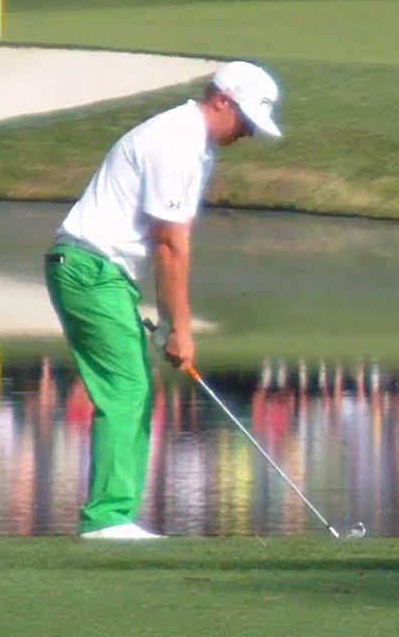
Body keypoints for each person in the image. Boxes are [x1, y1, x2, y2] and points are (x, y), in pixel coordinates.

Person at [45, 61, 282, 541]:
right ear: (222, 101)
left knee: (135, 389)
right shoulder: (174, 141)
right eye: (246, 121)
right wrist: (181, 328)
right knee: (126, 390)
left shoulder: (197, 149)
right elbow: (169, 245)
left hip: (104, 274)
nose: (248, 134)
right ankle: (106, 519)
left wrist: (170, 317)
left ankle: (115, 515)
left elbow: (174, 242)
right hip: (89, 268)